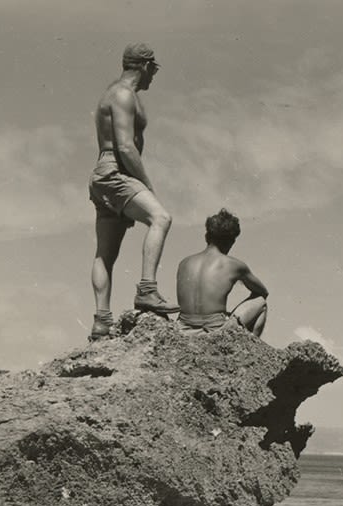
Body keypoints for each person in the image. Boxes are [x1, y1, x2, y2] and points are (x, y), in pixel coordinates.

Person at [88, 43, 178, 339]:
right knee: (160, 218)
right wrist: (147, 185)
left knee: (105, 254)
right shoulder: (124, 94)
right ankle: (147, 290)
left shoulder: (113, 93)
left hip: (103, 174)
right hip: (116, 170)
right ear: (145, 65)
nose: (154, 76)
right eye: (154, 69)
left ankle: (102, 323)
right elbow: (126, 146)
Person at [175, 209, 268, 335]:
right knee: (261, 302)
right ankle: (251, 345)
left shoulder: (184, 262)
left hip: (183, 328)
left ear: (206, 237)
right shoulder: (234, 265)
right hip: (215, 330)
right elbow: (262, 292)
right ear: (232, 242)